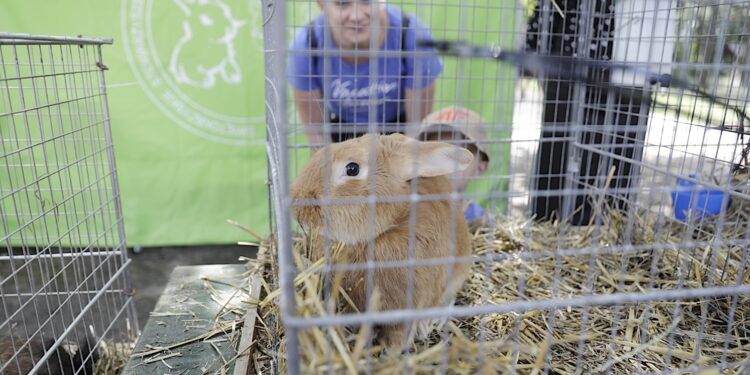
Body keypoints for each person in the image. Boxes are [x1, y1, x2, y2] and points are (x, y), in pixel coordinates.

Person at [287, 0, 443, 148]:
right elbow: (317, 138)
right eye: (343, 3)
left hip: (398, 129)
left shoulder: (412, 35)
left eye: (367, 1)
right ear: (322, 5)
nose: (356, 16)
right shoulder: (306, 45)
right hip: (340, 128)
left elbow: (416, 130)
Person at [417, 106, 490, 223]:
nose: (444, 165)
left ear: (480, 168)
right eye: (434, 154)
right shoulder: (405, 215)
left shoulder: (481, 222)